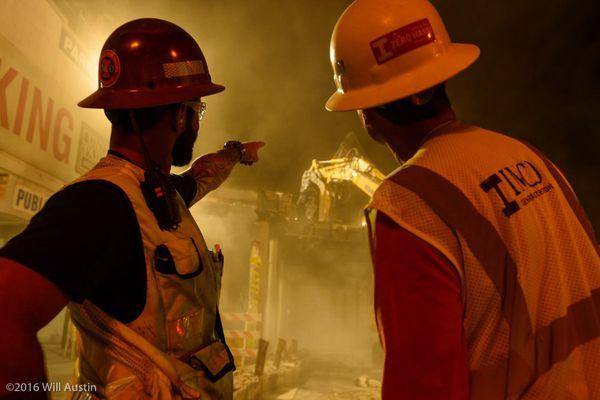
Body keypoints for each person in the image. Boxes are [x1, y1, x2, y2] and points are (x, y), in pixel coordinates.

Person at [326, 0, 600, 399]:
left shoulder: (408, 203)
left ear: (366, 113)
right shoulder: (527, 157)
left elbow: (424, 384)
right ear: (441, 76)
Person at [0, 18, 264, 400]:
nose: (196, 122)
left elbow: (201, 176)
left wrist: (236, 153)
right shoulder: (99, 204)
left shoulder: (155, 195)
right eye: (197, 110)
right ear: (179, 116)